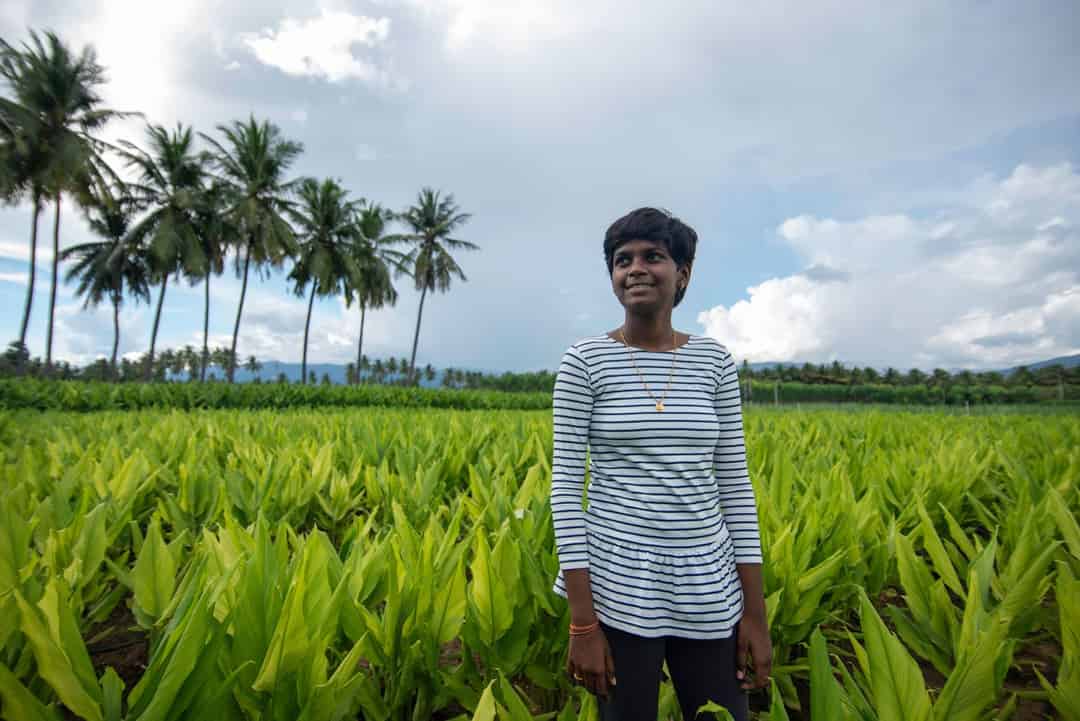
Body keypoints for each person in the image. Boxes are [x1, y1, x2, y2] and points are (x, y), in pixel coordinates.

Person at [549, 207, 771, 721]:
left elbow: (735, 488)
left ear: (684, 274)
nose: (636, 268)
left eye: (654, 256)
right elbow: (565, 490)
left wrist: (755, 617)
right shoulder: (584, 361)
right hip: (618, 588)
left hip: (708, 587)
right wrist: (582, 624)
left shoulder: (713, 361)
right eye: (622, 260)